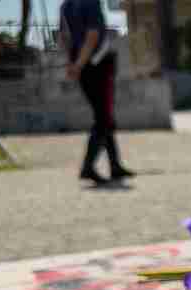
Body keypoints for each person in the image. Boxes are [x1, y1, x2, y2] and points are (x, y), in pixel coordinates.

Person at [59, 0, 133, 184]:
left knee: (104, 116)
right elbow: (93, 35)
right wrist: (79, 64)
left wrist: (72, 63)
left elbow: (64, 37)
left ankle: (115, 166)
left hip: (81, 65)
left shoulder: (66, 5)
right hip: (97, 64)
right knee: (103, 118)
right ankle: (88, 167)